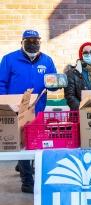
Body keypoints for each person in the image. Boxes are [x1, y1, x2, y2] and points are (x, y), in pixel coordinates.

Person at [0, 30, 57, 193]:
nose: (33, 43)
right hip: (16, 109)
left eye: (36, 40)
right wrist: (5, 104)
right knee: (21, 141)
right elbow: (1, 82)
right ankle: (27, 182)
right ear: (22, 42)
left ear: (40, 42)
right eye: (29, 40)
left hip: (38, 108)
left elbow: (52, 83)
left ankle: (22, 164)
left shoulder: (47, 60)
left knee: (34, 142)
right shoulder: (9, 59)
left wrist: (56, 84)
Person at [64, 42, 91, 110]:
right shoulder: (73, 73)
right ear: (82, 55)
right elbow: (69, 96)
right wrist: (83, 108)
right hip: (81, 113)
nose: (89, 54)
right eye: (85, 53)